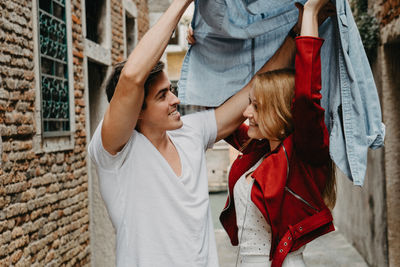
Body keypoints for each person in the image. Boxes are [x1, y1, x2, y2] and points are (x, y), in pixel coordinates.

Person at [88, 0, 299, 266]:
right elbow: (131, 78)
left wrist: (298, 31)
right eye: (162, 96)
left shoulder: (191, 132)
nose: (175, 100)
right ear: (136, 112)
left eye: (171, 90)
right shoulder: (115, 152)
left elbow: (253, 88)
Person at [218, 0, 337, 266]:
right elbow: (219, 114)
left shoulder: (304, 156)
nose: (246, 113)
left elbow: (307, 95)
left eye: (256, 106)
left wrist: (310, 12)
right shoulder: (258, 149)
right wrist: (203, 44)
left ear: (280, 112)